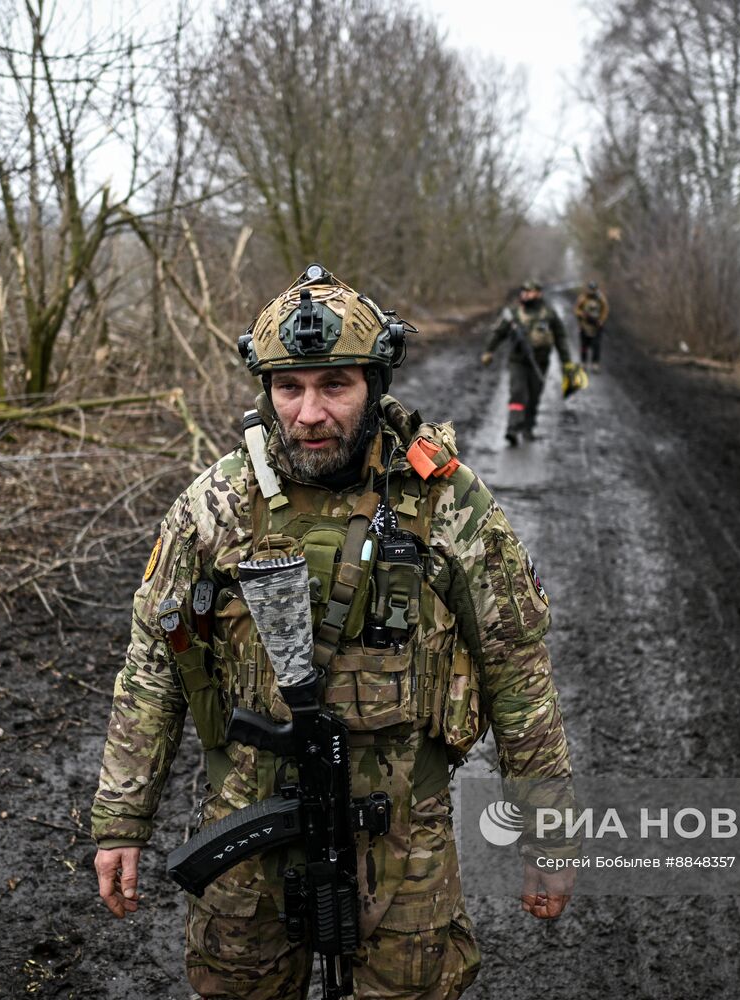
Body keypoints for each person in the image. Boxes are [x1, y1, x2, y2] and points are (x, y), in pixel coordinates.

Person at [91, 263, 575, 999]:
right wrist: (122, 820)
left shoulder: (445, 502)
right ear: (266, 390)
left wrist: (550, 833)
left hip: (403, 839)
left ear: (375, 386)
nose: (309, 414)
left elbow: (517, 673)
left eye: (335, 386)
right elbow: (154, 665)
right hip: (247, 832)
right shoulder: (218, 503)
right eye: (290, 388)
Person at [479, 280, 578, 446]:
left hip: (540, 362)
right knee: (517, 392)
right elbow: (499, 333)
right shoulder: (514, 313)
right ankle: (512, 428)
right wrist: (489, 351)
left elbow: (561, 338)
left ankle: (528, 427)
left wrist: (566, 362)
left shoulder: (549, 314)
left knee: (534, 395)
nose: (525, 294)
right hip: (518, 361)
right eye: (523, 291)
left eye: (529, 291)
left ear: (538, 293)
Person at [573, 281, 609, 371]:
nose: (592, 291)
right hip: (585, 325)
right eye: (590, 289)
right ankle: (583, 362)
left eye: (593, 289)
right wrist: (582, 314)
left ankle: (595, 363)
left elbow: (605, 310)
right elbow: (576, 309)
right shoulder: (583, 298)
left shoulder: (601, 299)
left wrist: (601, 320)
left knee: (596, 346)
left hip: (596, 326)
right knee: (584, 346)